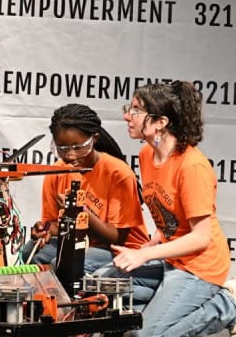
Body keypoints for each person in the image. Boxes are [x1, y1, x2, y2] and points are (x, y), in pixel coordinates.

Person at [101, 80, 236, 337]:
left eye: (136, 110)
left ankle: (228, 305)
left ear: (160, 122)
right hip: (170, 260)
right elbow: (168, 211)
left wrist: (144, 255)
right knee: (102, 286)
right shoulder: (147, 153)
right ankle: (159, 307)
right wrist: (154, 242)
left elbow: (200, 238)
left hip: (199, 268)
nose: (127, 115)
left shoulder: (193, 167)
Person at [21, 103, 149, 275]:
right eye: (62, 149)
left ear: (94, 139)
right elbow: (55, 226)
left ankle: (63, 301)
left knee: (63, 262)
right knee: (31, 253)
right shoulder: (57, 171)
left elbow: (116, 237)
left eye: (78, 147)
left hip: (120, 249)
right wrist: (44, 230)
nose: (70, 155)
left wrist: (81, 212)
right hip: (78, 242)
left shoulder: (118, 173)